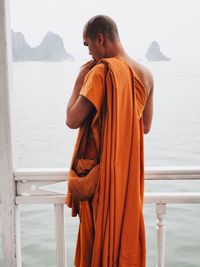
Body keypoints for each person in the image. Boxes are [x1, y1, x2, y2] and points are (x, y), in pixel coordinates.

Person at [65, 15, 153, 267]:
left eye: (87, 44)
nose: (88, 52)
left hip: (101, 182)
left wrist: (79, 80)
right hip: (127, 179)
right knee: (124, 238)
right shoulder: (146, 74)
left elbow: (72, 119)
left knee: (99, 250)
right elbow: (144, 127)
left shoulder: (101, 73)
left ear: (99, 39)